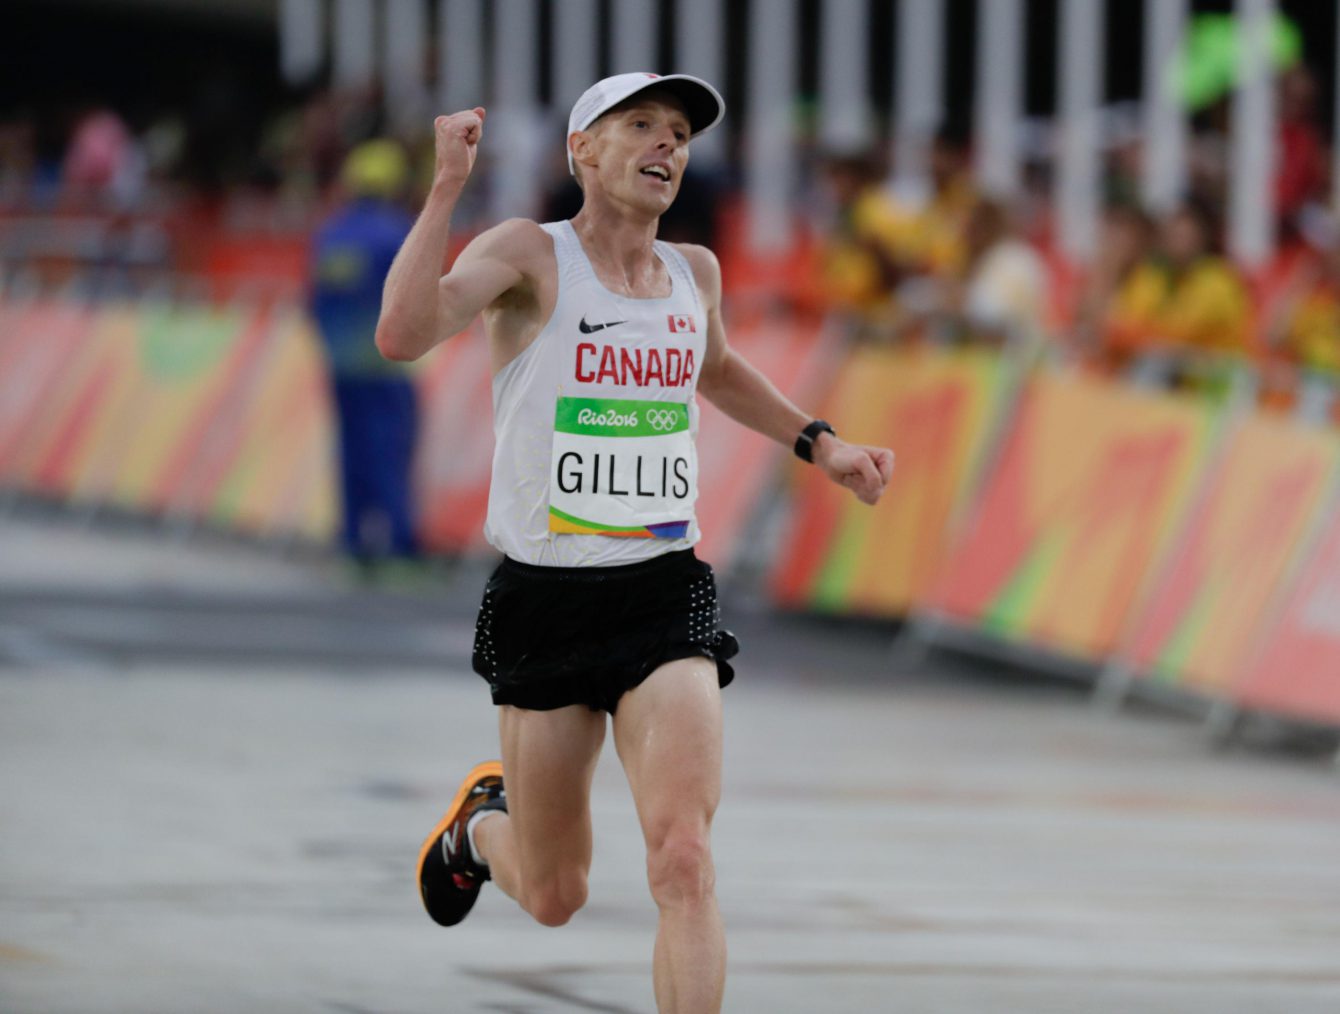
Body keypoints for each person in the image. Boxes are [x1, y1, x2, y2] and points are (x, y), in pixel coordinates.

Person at [375, 73, 894, 1014]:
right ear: (584, 150)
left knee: (684, 858)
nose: (668, 146)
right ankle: (478, 832)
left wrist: (823, 444)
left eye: (681, 133)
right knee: (553, 893)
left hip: (663, 593)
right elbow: (404, 334)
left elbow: (721, 369)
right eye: (642, 126)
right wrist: (447, 187)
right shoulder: (530, 255)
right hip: (545, 599)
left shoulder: (695, 273)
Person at [312, 139, 420, 565]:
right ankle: (399, 545)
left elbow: (315, 300)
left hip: (340, 363)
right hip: (385, 365)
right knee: (389, 453)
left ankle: (353, 544)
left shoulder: (331, 232)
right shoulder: (396, 232)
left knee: (352, 452)